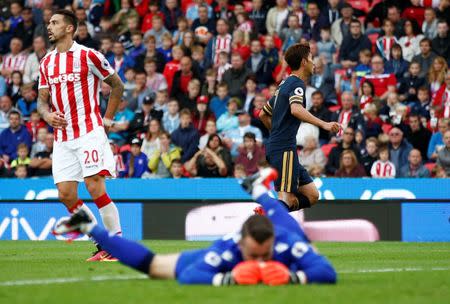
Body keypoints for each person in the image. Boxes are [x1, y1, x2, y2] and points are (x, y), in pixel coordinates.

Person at [53, 167, 337, 286]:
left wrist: (293, 278)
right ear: (242, 244)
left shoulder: (289, 243)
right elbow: (190, 276)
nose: (261, 262)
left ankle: (259, 190)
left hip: (285, 236)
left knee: (292, 227)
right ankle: (90, 227)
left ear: (274, 245)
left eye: (265, 256)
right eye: (255, 256)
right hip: (227, 262)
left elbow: (327, 272)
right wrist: (227, 280)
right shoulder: (229, 248)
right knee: (155, 266)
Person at [37, 9, 124, 261]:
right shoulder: (46, 62)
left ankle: (116, 245)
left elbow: (117, 85)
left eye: (55, 23)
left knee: (94, 185)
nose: (49, 27)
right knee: (65, 194)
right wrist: (46, 115)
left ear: (69, 28)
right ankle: (102, 243)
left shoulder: (88, 56)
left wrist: (106, 120)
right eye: (49, 23)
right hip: (63, 137)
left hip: (88, 132)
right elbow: (42, 101)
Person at [259, 42, 340, 211]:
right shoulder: (297, 84)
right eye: (311, 58)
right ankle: (267, 219)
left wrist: (275, 133)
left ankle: (270, 212)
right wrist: (324, 124)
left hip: (280, 147)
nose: (314, 62)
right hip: (284, 149)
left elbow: (263, 114)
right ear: (304, 62)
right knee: (286, 197)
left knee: (312, 195)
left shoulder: (284, 85)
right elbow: (296, 109)